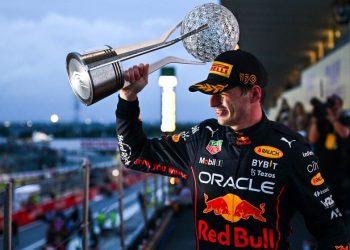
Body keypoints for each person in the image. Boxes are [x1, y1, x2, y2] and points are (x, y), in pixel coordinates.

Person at [116, 49, 349, 249]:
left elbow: (331, 227)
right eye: (210, 93)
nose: (212, 103)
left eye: (222, 93)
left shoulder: (292, 149)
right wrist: (128, 98)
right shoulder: (200, 139)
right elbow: (134, 155)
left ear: (254, 93)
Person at [308, 94, 350, 214]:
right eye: (333, 105)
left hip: (340, 163)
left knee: (339, 194)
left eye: (337, 104)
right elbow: (312, 138)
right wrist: (316, 119)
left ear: (341, 106)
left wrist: (333, 119)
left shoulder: (344, 119)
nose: (335, 107)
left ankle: (341, 219)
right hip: (323, 162)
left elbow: (344, 133)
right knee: (322, 194)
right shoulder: (321, 121)